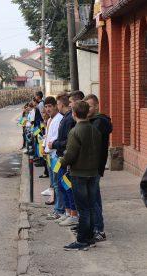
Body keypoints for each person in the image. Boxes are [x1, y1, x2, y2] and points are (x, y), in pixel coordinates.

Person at [60, 101, 102, 251]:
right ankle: (90, 238)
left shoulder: (75, 131)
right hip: (93, 172)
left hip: (79, 174)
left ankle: (82, 240)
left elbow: (70, 155)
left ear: (74, 114)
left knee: (82, 208)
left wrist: (62, 161)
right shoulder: (95, 130)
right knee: (90, 206)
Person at [84, 94, 113, 242]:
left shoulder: (100, 122)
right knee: (90, 198)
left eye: (89, 106)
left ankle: (99, 229)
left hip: (94, 166)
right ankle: (92, 227)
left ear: (96, 106)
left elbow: (89, 141)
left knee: (94, 198)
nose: (87, 109)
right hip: (88, 166)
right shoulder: (90, 121)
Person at [50, 92, 79, 226]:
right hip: (61, 156)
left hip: (65, 157)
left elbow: (68, 141)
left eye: (57, 103)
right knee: (62, 186)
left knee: (67, 187)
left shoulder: (68, 119)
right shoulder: (65, 117)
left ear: (61, 104)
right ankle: (67, 212)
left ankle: (73, 214)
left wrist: (55, 144)